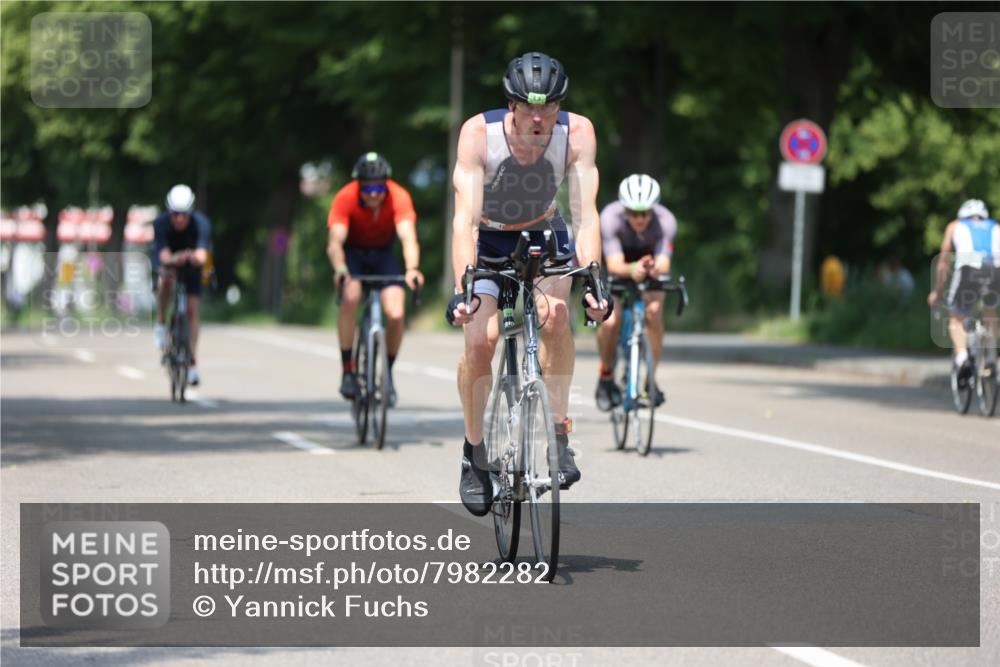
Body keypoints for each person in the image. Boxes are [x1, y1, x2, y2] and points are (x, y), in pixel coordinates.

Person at [446, 52, 610, 516]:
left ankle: (559, 435)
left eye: (549, 107)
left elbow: (585, 215)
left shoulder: (577, 134)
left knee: (556, 315)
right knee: (481, 340)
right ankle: (475, 453)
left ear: (560, 105)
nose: (539, 117)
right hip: (488, 238)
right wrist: (465, 288)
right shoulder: (479, 135)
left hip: (543, 228)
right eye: (528, 106)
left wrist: (595, 277)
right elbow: (463, 223)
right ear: (511, 103)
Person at [327, 152, 424, 407]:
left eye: (379, 187)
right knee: (350, 297)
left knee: (396, 314)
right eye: (368, 188)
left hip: (383, 254)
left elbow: (408, 237)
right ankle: (348, 370)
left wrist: (412, 268)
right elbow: (335, 242)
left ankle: (388, 373)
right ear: (358, 184)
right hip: (354, 253)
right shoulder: (345, 197)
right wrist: (339, 269)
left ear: (386, 184)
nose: (373, 194)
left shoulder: (399, 196)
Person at [594, 174, 677, 410]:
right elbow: (614, 265)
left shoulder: (666, 220)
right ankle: (606, 375)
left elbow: (664, 264)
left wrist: (651, 268)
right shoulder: (610, 218)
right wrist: (633, 269)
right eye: (633, 213)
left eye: (645, 213)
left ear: (654, 209)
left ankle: (651, 380)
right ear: (624, 208)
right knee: (611, 321)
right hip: (616, 266)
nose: (639, 219)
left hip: (648, 267)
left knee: (654, 311)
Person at [928, 198, 1000, 382]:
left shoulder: (955, 225)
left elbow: (943, 262)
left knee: (956, 316)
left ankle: (962, 358)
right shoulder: (995, 226)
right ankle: (992, 359)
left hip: (969, 268)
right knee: (990, 311)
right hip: (995, 270)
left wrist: (937, 291)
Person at [152, 184, 211, 386]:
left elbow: (203, 256)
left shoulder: (201, 223)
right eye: (175, 214)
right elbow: (164, 256)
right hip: (170, 258)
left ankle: (192, 364)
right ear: (169, 211)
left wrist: (192, 257)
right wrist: (176, 258)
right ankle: (160, 322)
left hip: (192, 261)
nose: (179, 218)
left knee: (193, 309)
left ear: (190, 212)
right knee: (165, 280)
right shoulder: (161, 223)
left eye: (184, 214)